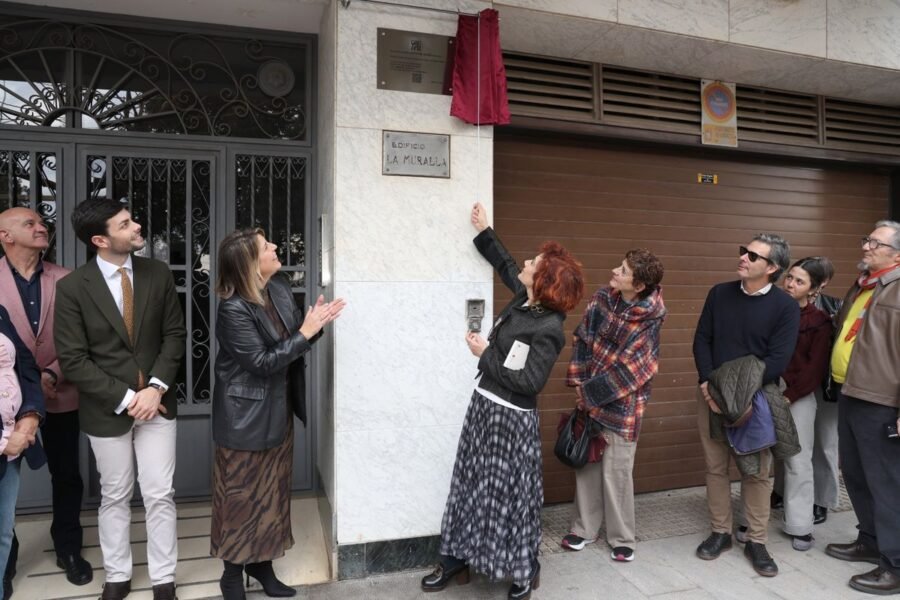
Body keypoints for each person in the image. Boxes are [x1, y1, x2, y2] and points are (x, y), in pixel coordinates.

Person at [422, 202, 584, 600]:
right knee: (470, 484)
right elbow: (507, 265)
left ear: (543, 281)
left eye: (535, 262)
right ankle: (456, 556)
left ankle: (522, 570)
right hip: (483, 408)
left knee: (510, 496)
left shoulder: (548, 327)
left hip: (511, 420)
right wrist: (485, 230)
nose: (526, 262)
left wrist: (484, 354)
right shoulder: (523, 299)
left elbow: (530, 381)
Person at [54, 197, 186, 600]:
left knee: (160, 494)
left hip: (159, 405)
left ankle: (164, 578)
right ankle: (118, 575)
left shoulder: (157, 273)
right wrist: (130, 397)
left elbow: (174, 336)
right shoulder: (73, 287)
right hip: (107, 410)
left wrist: (155, 388)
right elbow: (73, 359)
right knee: (113, 495)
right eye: (126, 223)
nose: (136, 226)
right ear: (100, 239)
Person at [210, 228, 344, 600]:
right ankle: (232, 576)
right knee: (239, 497)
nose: (274, 248)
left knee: (271, 495)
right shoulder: (233, 309)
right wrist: (305, 331)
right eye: (266, 247)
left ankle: (262, 566)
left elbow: (293, 343)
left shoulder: (280, 290)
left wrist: (314, 327)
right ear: (251, 264)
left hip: (278, 410)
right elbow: (262, 362)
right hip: (244, 418)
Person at [692, 234, 800, 577]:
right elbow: (702, 339)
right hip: (711, 394)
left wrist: (737, 390)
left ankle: (756, 541)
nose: (743, 258)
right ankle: (721, 533)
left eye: (753, 256)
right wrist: (709, 384)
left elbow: (778, 360)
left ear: (772, 268)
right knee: (715, 467)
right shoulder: (719, 293)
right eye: (744, 251)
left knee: (757, 473)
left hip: (757, 400)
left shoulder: (784, 306)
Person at [0, 207, 93, 589]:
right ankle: (5, 556)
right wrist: (27, 379)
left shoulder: (67, 279)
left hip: (61, 391)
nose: (41, 228)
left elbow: (84, 337)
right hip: (7, 406)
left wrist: (53, 371)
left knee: (67, 475)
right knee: (4, 482)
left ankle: (68, 546)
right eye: (30, 224)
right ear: (5, 235)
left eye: (42, 223)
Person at [560, 249, 667, 563]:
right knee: (588, 465)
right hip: (588, 397)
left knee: (617, 472)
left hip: (624, 405)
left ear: (639, 284)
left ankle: (621, 537)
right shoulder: (601, 299)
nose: (614, 271)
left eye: (622, 270)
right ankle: (583, 529)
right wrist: (581, 384)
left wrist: (591, 394)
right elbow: (583, 339)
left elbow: (637, 369)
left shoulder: (652, 317)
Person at [825, 220, 900, 595]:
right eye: (867, 239)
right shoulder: (864, 285)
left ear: (897, 254)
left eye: (876, 242)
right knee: (854, 473)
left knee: (887, 483)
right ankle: (870, 541)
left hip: (882, 400)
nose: (866, 246)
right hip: (851, 392)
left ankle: (895, 565)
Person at [771, 257, 833, 551]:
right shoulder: (770, 310)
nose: (790, 284)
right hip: (766, 389)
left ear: (814, 290)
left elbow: (815, 369)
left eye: (799, 281)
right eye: (789, 277)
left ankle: (799, 525)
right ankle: (750, 519)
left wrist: (789, 396)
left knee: (798, 459)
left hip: (798, 395)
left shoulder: (818, 323)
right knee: (761, 456)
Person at [0, 304, 46, 600]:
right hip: (7, 444)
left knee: (2, 534)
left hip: (13, 449)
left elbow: (26, 366)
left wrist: (29, 418)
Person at [811, 257, 842, 526]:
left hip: (826, 386)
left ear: (822, 283)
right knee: (789, 441)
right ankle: (782, 492)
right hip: (795, 384)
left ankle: (822, 500)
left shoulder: (836, 306)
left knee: (825, 443)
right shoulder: (787, 303)